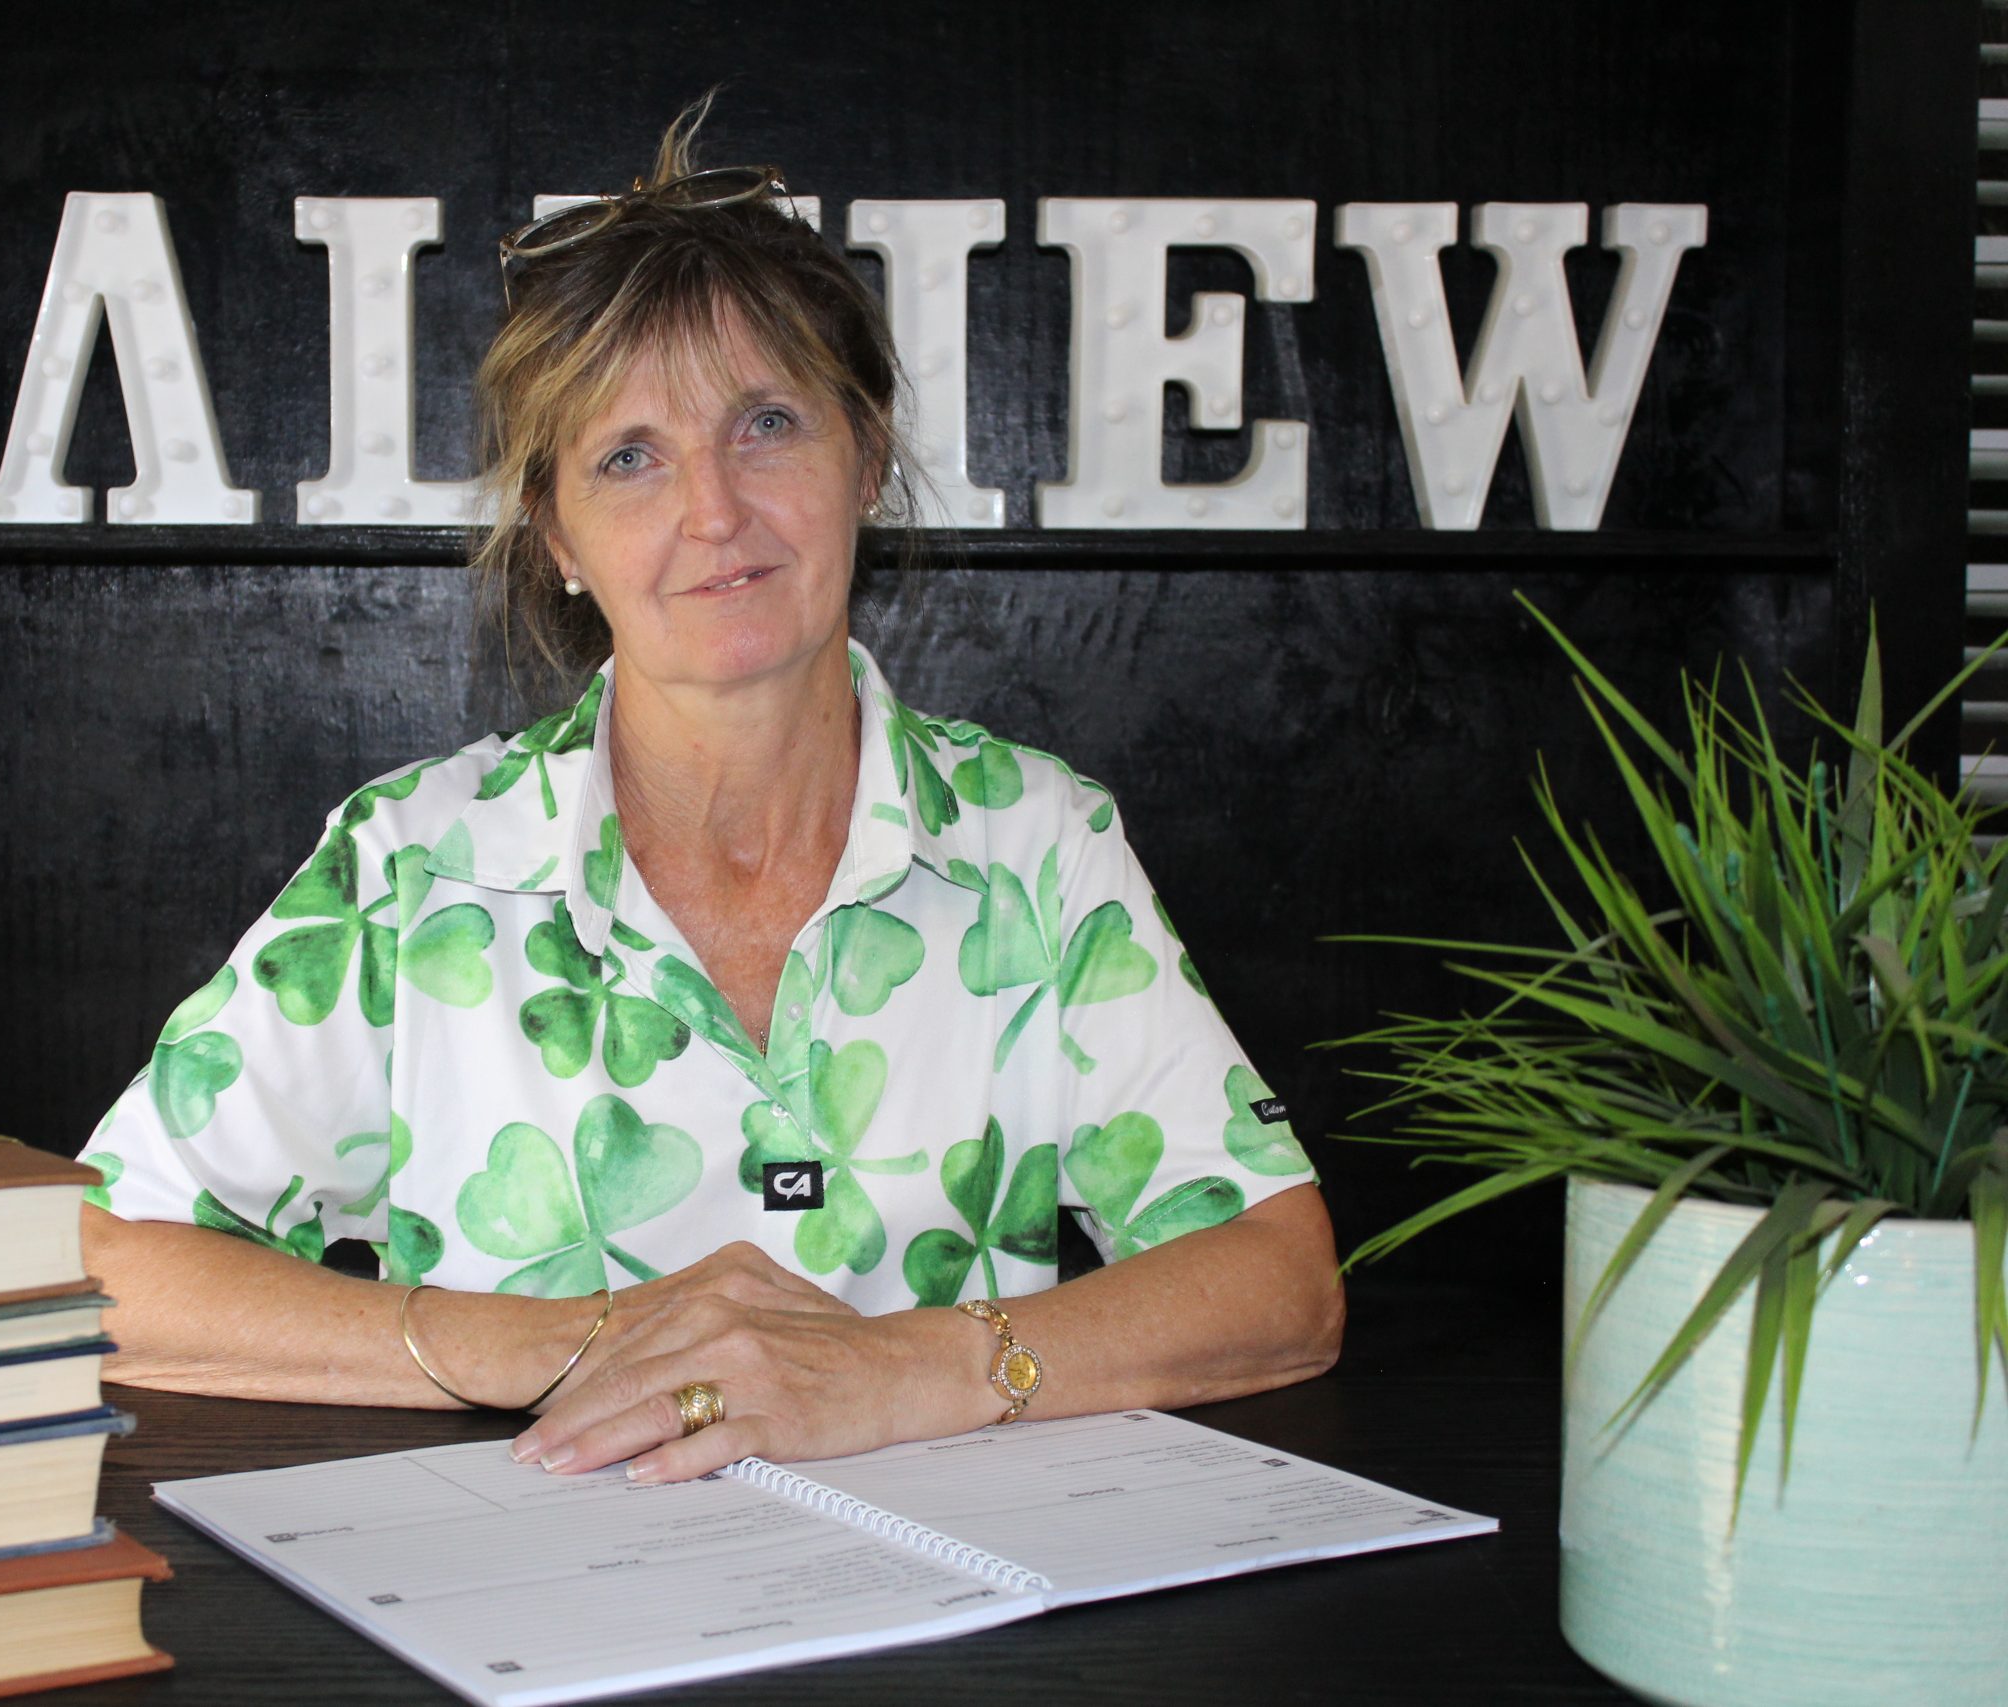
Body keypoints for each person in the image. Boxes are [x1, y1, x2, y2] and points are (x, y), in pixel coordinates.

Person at [78, 96, 1342, 1485]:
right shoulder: (413, 868)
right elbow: (93, 1260)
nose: (714, 512)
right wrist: (556, 1343)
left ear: (867, 456)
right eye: (629, 456)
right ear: (557, 535)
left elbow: (1279, 1278)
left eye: (767, 424)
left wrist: (890, 1372)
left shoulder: (1037, 845)